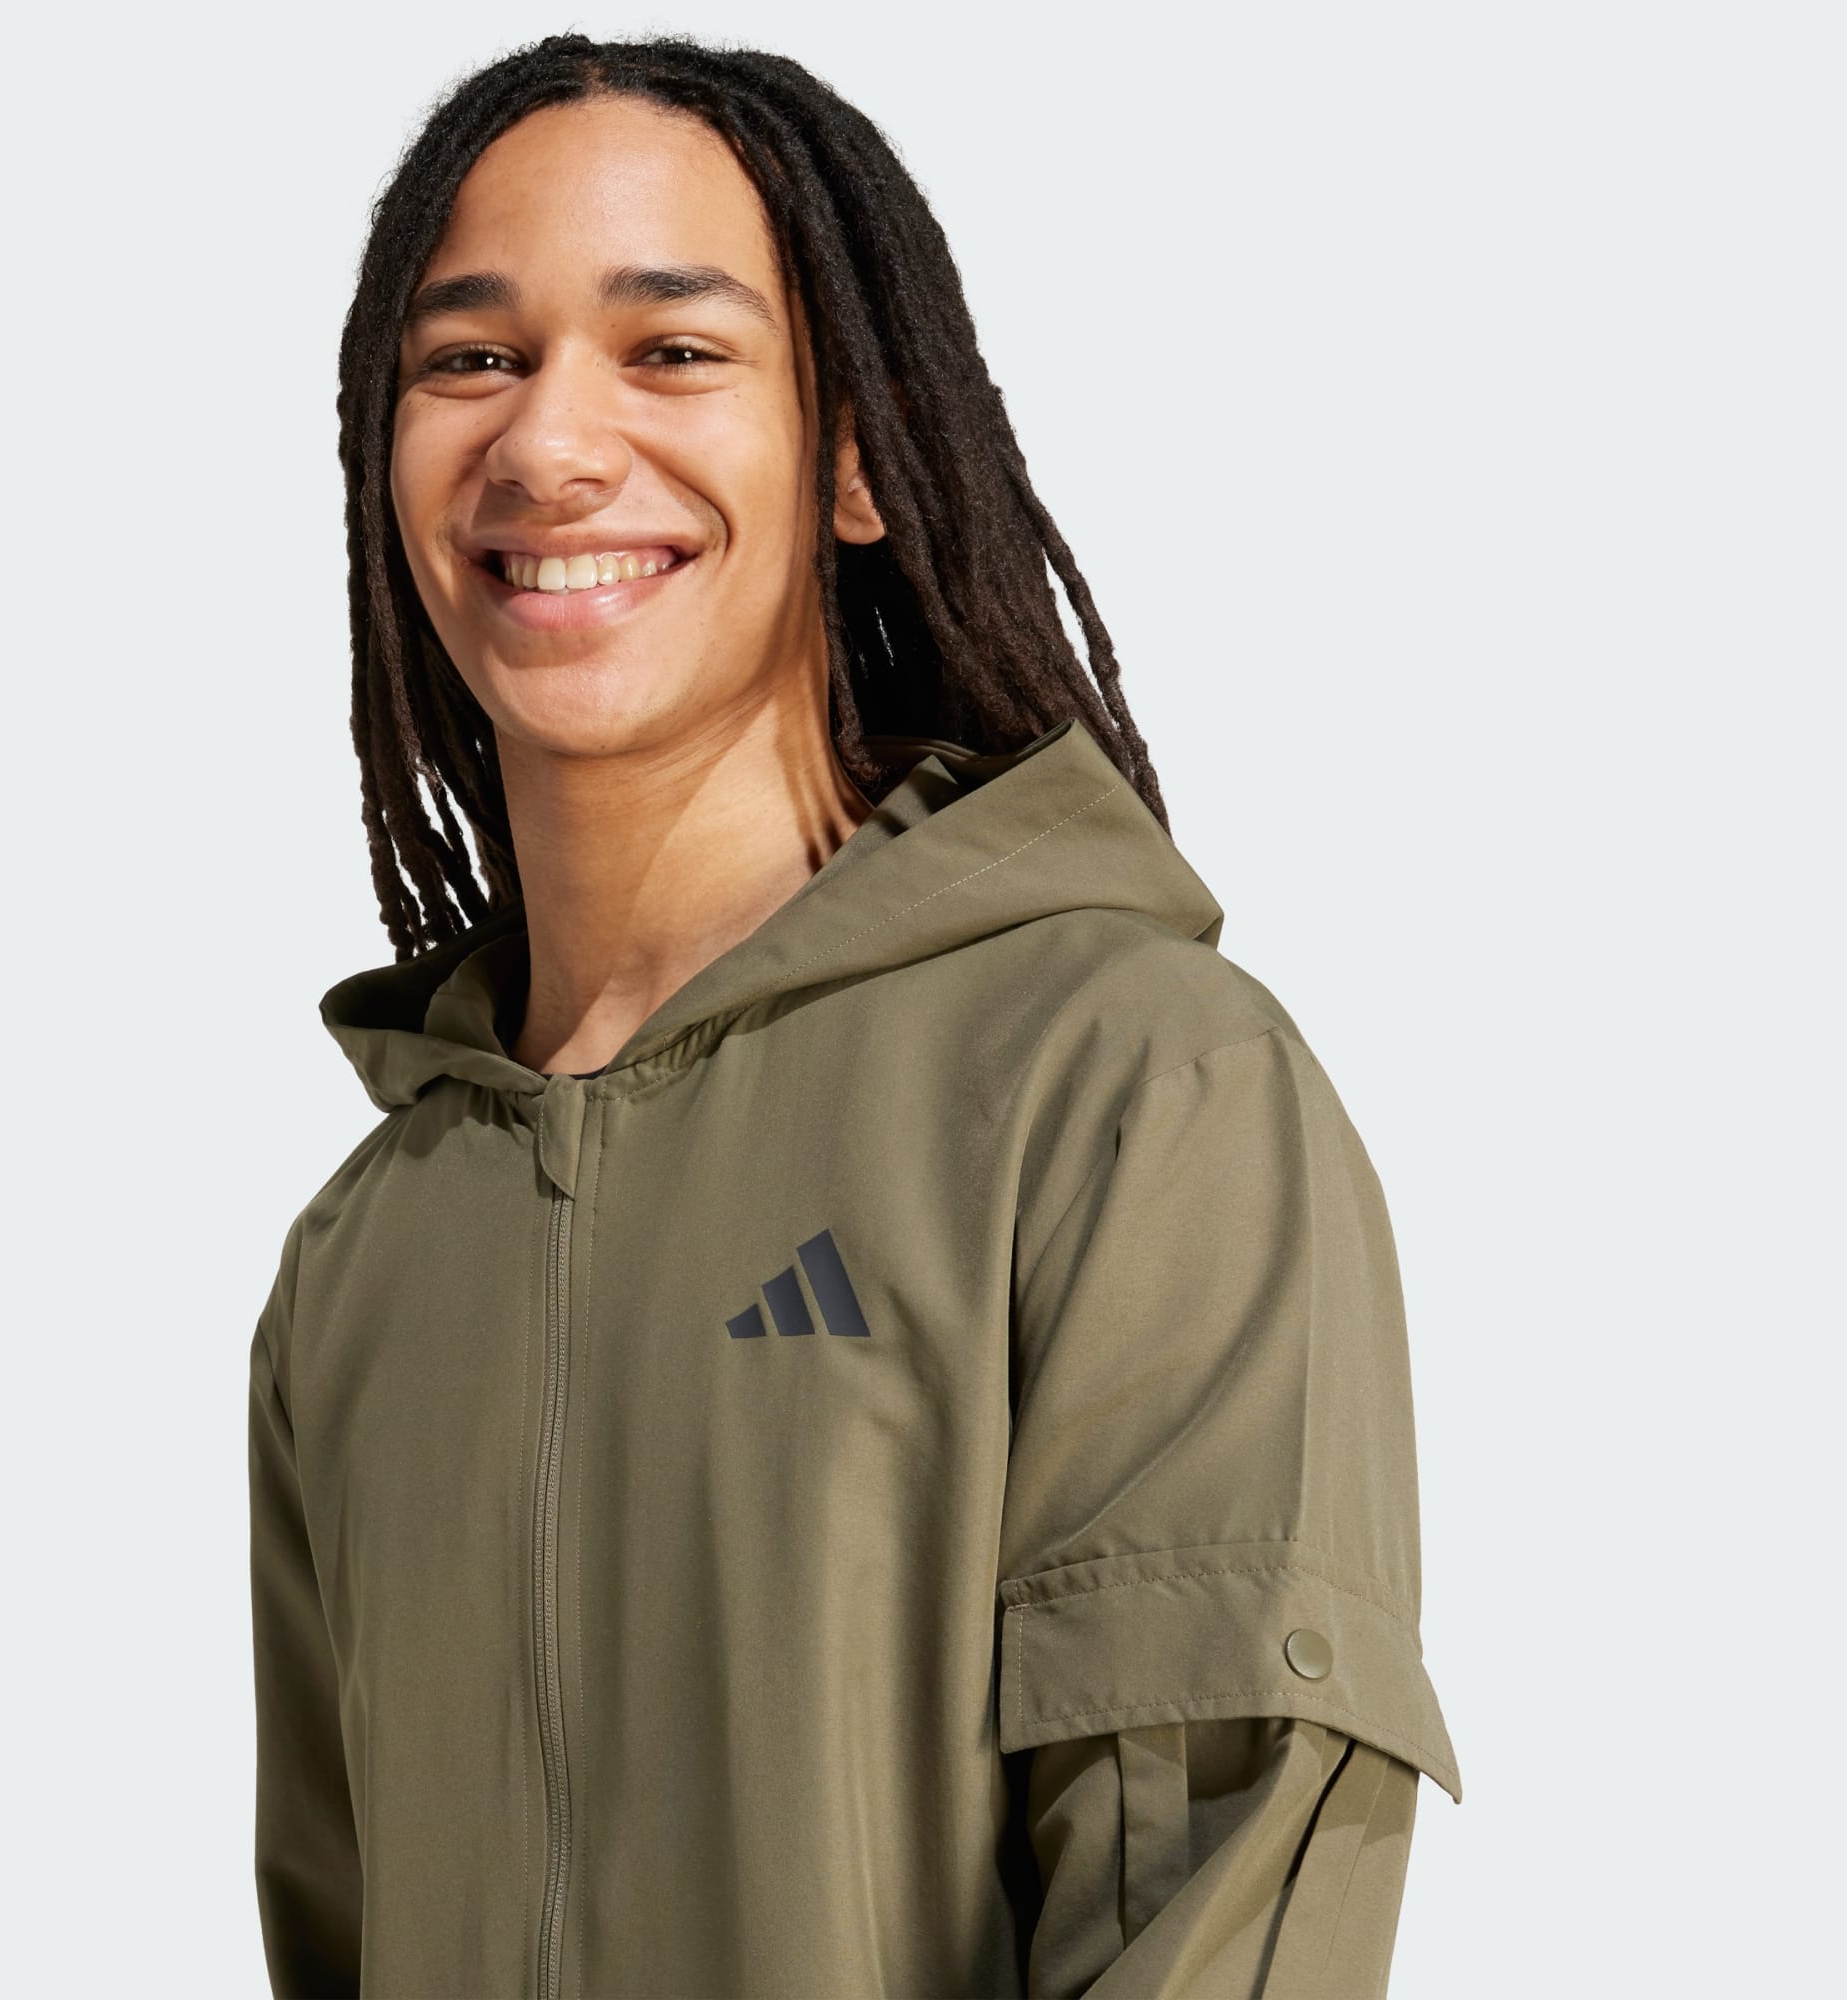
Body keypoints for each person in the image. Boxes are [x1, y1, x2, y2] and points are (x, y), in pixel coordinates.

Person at [247, 31, 1461, 1999]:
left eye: (671, 350)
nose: (549, 442)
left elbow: (1218, 1905)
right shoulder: (368, 1253)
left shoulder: (1131, 1093)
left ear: (858, 460)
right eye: (471, 357)